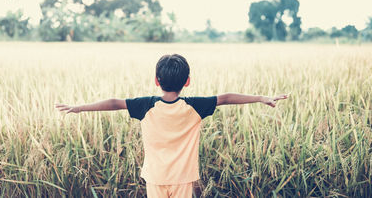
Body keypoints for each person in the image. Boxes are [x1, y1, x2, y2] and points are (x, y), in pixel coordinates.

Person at [56, 54, 288, 197]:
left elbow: (115, 102)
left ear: (156, 81)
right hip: (183, 178)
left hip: (155, 177)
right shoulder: (195, 106)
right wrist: (261, 97)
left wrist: (79, 107)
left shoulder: (145, 106)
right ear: (187, 81)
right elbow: (226, 97)